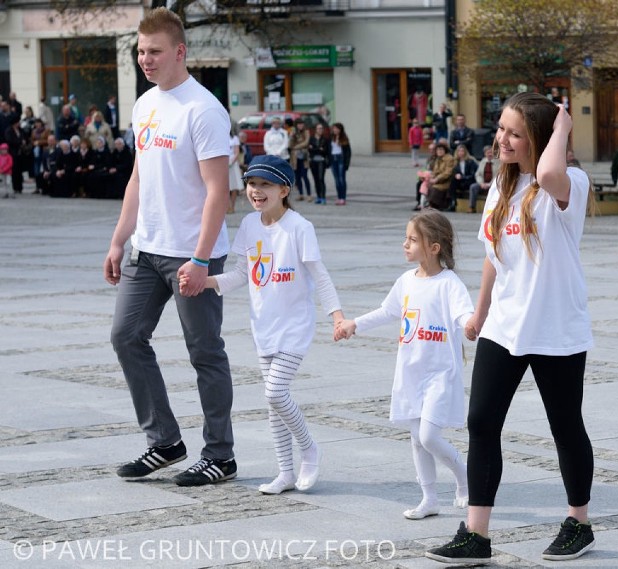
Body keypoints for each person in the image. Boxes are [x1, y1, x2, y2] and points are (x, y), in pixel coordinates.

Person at [426, 92, 595, 565]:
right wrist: (479, 314)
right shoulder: (501, 188)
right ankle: (476, 535)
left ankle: (578, 523)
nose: (501, 138)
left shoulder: (569, 183)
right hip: (504, 325)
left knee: (565, 427)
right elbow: (492, 257)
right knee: (481, 422)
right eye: (501, 128)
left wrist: (562, 123)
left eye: (514, 132)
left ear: (539, 139)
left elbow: (547, 173)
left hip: (556, 329)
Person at [103, 7, 237, 487]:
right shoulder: (144, 105)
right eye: (140, 51)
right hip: (147, 248)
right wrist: (120, 239)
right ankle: (164, 442)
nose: (145, 59)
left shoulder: (203, 109)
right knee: (125, 336)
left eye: (154, 51)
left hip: (191, 252)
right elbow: (139, 177)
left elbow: (219, 192)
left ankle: (220, 455)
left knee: (205, 352)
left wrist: (201, 259)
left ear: (180, 52)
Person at [196, 155, 343, 495]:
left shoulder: (299, 228)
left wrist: (336, 315)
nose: (256, 191)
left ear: (284, 189)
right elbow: (241, 274)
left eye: (265, 185)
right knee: (273, 404)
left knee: (275, 392)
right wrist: (204, 281)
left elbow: (320, 277)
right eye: (252, 184)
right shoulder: (249, 225)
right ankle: (285, 473)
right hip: (263, 326)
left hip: (294, 326)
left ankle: (309, 448)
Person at [335, 210, 472, 519]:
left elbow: (464, 315)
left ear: (434, 247)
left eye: (412, 239)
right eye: (406, 238)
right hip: (411, 372)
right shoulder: (406, 281)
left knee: (428, 436)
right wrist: (353, 323)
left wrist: (470, 326)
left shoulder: (449, 284)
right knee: (416, 439)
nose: (405, 244)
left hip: (440, 373)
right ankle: (429, 498)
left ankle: (463, 475)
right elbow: (387, 311)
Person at [468, 146, 499, 213]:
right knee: (473, 187)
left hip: (494, 184)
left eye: (491, 152)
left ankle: (493, 209)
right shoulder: (483, 161)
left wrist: (489, 184)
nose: (490, 154)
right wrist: (481, 183)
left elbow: (498, 175)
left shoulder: (499, 162)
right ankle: (472, 207)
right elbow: (478, 174)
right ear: (485, 154)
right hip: (482, 184)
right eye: (488, 153)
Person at [449, 144, 478, 212]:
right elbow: (453, 172)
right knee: (452, 182)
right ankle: (453, 202)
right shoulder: (455, 162)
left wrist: (462, 177)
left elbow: (473, 174)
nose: (461, 153)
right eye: (459, 151)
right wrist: (456, 175)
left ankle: (470, 207)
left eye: (462, 151)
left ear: (465, 152)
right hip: (460, 182)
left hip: (469, 181)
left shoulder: (471, 161)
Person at [426, 141, 454, 211]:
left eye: (441, 150)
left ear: (445, 150)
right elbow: (435, 170)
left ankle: (434, 205)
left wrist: (437, 179)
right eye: (438, 150)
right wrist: (432, 176)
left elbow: (447, 172)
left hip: (446, 181)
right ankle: (428, 204)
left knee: (435, 188)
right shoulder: (438, 159)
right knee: (426, 184)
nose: (439, 151)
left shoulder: (449, 159)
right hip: (438, 180)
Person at [288, 118, 311, 201]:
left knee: (305, 176)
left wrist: (296, 147)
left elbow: (306, 142)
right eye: (299, 124)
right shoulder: (294, 133)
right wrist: (291, 136)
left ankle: (309, 194)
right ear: (296, 125)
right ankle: (301, 194)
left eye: (302, 124)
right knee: (297, 177)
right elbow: (289, 145)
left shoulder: (306, 132)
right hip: (295, 158)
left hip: (304, 158)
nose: (300, 125)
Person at [329, 122, 351, 205]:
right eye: (334, 128)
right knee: (337, 180)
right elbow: (328, 149)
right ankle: (339, 197)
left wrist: (347, 163)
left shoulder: (344, 138)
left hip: (341, 159)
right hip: (333, 159)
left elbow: (348, 152)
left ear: (340, 130)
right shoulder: (331, 138)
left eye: (337, 128)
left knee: (342, 179)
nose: (335, 130)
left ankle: (343, 198)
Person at [308, 123, 330, 204]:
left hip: (321, 161)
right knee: (316, 179)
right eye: (319, 128)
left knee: (321, 179)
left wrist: (315, 148)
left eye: (321, 128)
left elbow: (325, 151)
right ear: (315, 130)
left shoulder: (325, 139)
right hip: (313, 161)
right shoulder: (311, 138)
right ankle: (318, 197)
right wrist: (318, 149)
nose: (320, 130)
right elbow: (310, 150)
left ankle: (323, 197)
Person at [227, 125, 244, 214]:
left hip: (232, 164)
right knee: (225, 187)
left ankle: (232, 206)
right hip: (223, 164)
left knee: (233, 187)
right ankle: (227, 206)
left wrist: (231, 161)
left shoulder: (234, 138)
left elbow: (236, 152)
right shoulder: (220, 137)